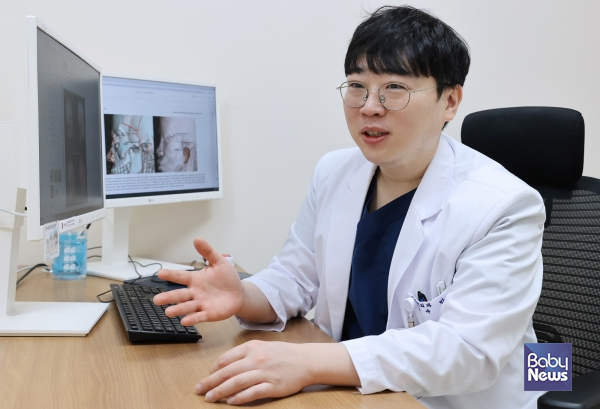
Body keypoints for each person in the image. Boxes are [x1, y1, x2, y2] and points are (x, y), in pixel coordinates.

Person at [154, 6, 545, 409]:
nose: (370, 106)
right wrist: (243, 293)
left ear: (450, 101)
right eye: (357, 86)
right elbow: (295, 276)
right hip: (354, 391)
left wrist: (308, 363)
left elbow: (467, 349)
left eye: (395, 87)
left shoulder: (504, 205)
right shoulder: (335, 172)